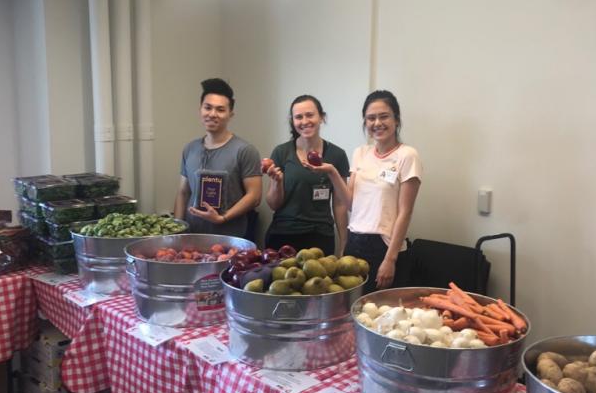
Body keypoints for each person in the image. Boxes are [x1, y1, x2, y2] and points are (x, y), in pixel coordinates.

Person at [305, 90, 422, 293]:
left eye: (384, 116)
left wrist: (390, 259)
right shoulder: (360, 153)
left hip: (385, 245)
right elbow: (352, 204)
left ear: (396, 119)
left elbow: (406, 212)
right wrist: (332, 172)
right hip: (355, 241)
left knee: (380, 312)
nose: (377, 123)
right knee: (350, 309)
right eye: (371, 118)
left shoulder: (407, 155)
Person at [173, 78, 262, 238]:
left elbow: (254, 196)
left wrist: (223, 217)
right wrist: (177, 231)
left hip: (230, 239)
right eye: (208, 108)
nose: (212, 114)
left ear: (230, 114)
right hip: (191, 237)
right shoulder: (190, 149)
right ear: (200, 109)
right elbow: (183, 192)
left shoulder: (245, 150)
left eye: (220, 110)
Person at [263, 94, 350, 257]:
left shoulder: (337, 155)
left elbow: (340, 204)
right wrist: (277, 182)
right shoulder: (281, 152)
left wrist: (345, 243)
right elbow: (273, 205)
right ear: (293, 121)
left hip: (320, 236)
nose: (304, 121)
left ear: (321, 117)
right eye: (298, 117)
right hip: (283, 234)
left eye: (310, 115)